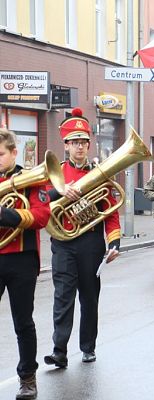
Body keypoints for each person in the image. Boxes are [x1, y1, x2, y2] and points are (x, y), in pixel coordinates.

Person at [45, 108, 120, 368]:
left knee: (89, 298)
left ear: (89, 144)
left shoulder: (100, 172)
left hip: (90, 242)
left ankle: (88, 346)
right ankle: (59, 351)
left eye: (83, 142)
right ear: (65, 145)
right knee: (63, 297)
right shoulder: (54, 175)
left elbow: (111, 210)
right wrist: (60, 193)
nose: (79, 147)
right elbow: (42, 203)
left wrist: (114, 243)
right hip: (64, 243)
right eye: (74, 142)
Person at [0, 129, 51, 400]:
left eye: (0, 155)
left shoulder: (30, 178)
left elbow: (41, 216)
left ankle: (27, 378)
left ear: (13, 153)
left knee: (22, 322)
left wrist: (5, 215)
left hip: (22, 258)